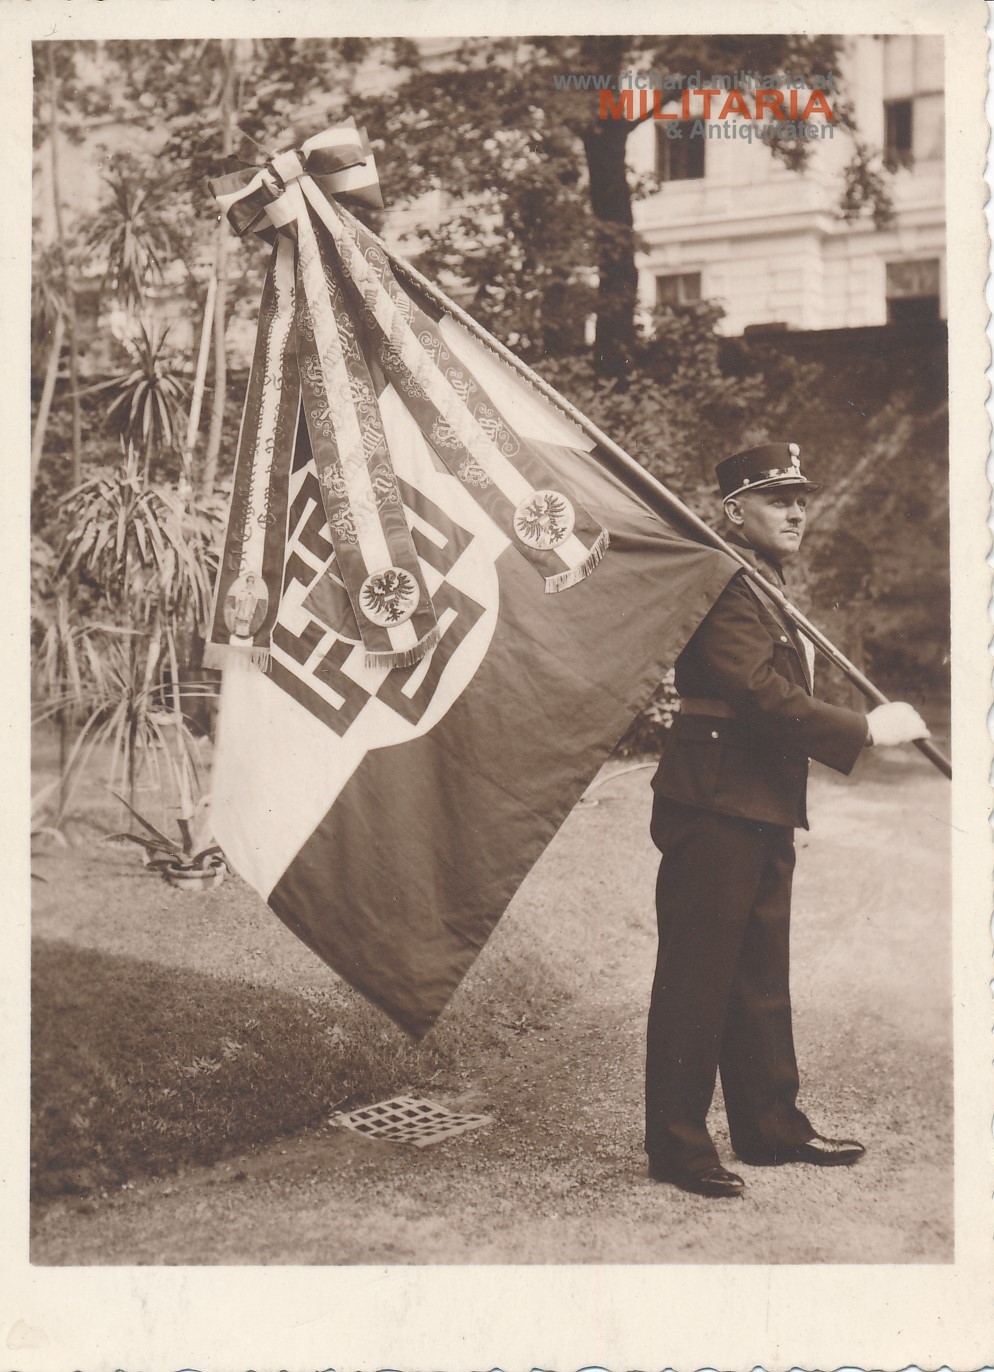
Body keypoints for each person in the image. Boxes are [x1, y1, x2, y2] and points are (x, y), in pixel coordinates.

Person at [645, 442, 929, 1199]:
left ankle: (770, 1127)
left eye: (802, 499)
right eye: (779, 499)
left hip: (758, 796)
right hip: (713, 801)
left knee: (759, 974)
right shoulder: (723, 578)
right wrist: (864, 730)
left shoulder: (763, 579)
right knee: (697, 978)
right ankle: (676, 1146)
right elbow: (755, 690)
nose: (798, 511)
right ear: (734, 511)